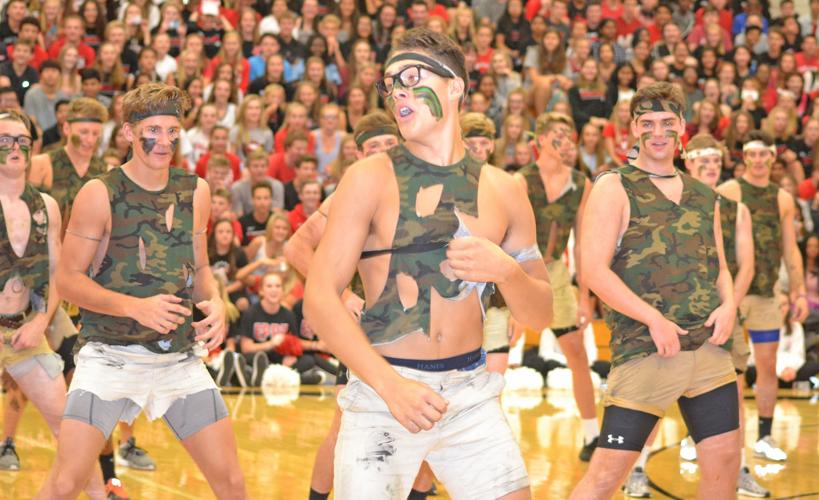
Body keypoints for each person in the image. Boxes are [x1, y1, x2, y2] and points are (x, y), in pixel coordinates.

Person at [304, 28, 552, 499]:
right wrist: (391, 387)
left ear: (455, 86)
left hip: (470, 392)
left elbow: (541, 312)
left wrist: (507, 271)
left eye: (411, 78)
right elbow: (318, 298)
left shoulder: (505, 188)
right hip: (384, 391)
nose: (398, 90)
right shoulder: (368, 177)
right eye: (390, 82)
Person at [36, 83, 246, 499]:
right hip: (110, 356)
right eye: (153, 129)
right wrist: (136, 307)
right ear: (129, 133)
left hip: (178, 359)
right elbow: (68, 281)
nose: (164, 141)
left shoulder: (196, 190)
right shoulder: (100, 193)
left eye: (172, 130)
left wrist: (216, 303)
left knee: (232, 483)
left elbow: (200, 266)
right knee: (65, 483)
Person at [570, 82, 739, 499]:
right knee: (607, 476)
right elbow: (592, 270)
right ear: (633, 128)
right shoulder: (614, 185)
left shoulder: (704, 195)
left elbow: (717, 263)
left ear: (682, 125)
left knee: (725, 463)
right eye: (647, 123)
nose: (658, 132)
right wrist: (654, 320)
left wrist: (731, 304)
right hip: (646, 350)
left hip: (709, 350)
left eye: (667, 122)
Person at [621, 133, 768, 498]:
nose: (710, 167)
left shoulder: (736, 209)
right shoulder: (667, 199)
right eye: (703, 161)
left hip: (722, 314)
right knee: (652, 399)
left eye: (716, 161)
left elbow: (745, 266)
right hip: (671, 315)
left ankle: (740, 469)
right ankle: (636, 470)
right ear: (689, 160)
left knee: (734, 393)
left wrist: (728, 306)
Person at [285, 110, 407, 500]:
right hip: (367, 326)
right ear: (358, 155)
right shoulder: (349, 193)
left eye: (390, 144)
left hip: (416, 325)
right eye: (374, 147)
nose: (384, 152)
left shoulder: (421, 183)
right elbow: (297, 246)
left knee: (425, 421)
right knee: (345, 423)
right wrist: (343, 296)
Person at [0, 109, 106, 498]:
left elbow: (59, 273)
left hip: (24, 328)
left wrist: (41, 320)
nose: (14, 148)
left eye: (22, 141)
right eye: (5, 141)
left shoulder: (45, 205)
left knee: (71, 428)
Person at [717, 130, 810, 462]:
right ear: (744, 157)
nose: (758, 160)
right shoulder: (727, 191)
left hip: (767, 295)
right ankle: (706, 437)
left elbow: (790, 249)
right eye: (752, 154)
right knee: (721, 370)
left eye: (764, 155)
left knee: (767, 367)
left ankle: (766, 437)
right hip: (732, 295)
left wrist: (797, 291)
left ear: (773, 157)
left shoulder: (782, 198)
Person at [514, 112, 600, 461]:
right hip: (521, 270)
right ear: (542, 140)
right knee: (498, 354)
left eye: (570, 134)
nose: (566, 140)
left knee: (577, 353)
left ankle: (592, 435)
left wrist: (585, 295)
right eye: (559, 134)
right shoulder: (521, 180)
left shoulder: (582, 183)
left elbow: (582, 243)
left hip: (558, 274)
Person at [28, 97, 108, 232]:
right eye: (84, 132)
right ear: (66, 128)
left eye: (96, 134)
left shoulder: (106, 171)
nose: (90, 140)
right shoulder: (41, 165)